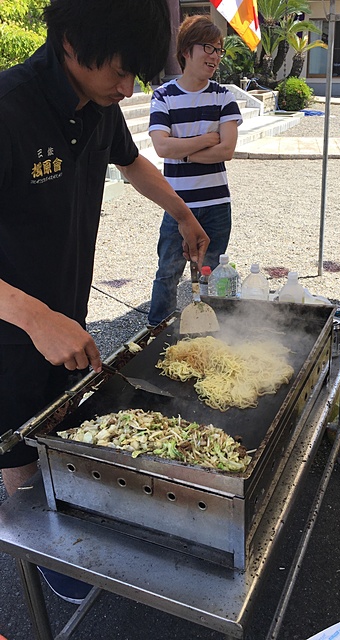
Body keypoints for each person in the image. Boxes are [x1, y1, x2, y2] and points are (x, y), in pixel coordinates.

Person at [0, 0, 209, 603]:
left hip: (63, 305)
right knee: (15, 432)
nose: (127, 87)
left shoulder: (97, 102)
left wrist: (182, 212)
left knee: (60, 414)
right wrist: (36, 318)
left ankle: (59, 514)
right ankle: (36, 545)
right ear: (69, 42)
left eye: (135, 75)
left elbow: (131, 161)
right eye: (119, 71)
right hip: (11, 320)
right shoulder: (9, 110)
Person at [147, 15, 242, 327]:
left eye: (218, 50)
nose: (214, 56)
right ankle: (157, 331)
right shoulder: (163, 96)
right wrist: (203, 141)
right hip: (177, 204)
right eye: (208, 48)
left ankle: (214, 333)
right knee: (167, 273)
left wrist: (182, 151)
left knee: (214, 275)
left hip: (216, 205)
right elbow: (162, 148)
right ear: (186, 50)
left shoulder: (224, 95)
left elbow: (226, 150)